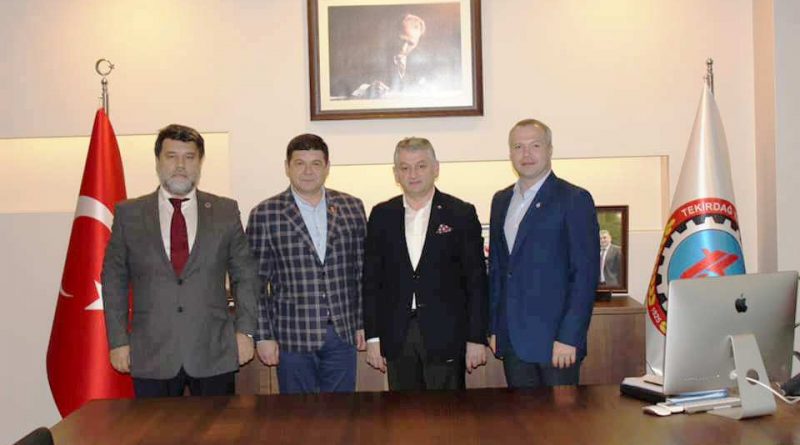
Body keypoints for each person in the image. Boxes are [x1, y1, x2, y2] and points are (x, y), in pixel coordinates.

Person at [102, 124, 259, 397]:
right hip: (151, 352)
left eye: (189, 157)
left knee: (220, 425)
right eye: (171, 156)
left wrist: (245, 331)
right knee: (153, 426)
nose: (180, 165)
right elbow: (114, 280)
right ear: (158, 161)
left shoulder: (224, 210)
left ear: (200, 162)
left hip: (213, 350)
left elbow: (245, 275)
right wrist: (118, 341)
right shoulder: (129, 213)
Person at [363, 137, 488, 391]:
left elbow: (476, 281)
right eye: (405, 167)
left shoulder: (460, 213)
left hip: (447, 334)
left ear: (436, 168)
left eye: (421, 166)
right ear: (396, 173)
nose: (413, 174)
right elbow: (371, 281)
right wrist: (373, 338)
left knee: (448, 412)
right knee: (403, 413)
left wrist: (476, 338)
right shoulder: (381, 215)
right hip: (397, 335)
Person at [246, 133, 367, 394]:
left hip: (343, 333)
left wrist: (361, 322)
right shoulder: (265, 214)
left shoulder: (352, 207)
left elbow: (361, 272)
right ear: (287, 167)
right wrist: (263, 335)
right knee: (296, 414)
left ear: (327, 167)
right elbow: (254, 283)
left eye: (316, 163)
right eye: (300, 163)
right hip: (291, 336)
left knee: (342, 411)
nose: (308, 171)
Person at [488, 119, 600, 388]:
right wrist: (494, 327)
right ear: (510, 153)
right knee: (521, 415)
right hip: (513, 340)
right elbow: (498, 269)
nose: (526, 154)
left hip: (556, 343)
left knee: (561, 416)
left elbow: (584, 274)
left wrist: (569, 337)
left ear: (550, 149)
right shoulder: (501, 200)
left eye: (535, 146)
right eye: (518, 146)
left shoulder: (574, 198)